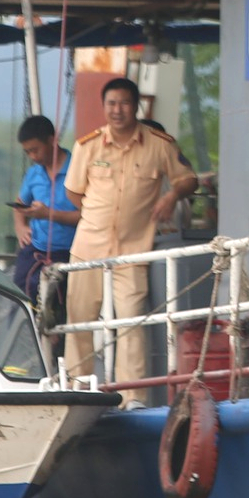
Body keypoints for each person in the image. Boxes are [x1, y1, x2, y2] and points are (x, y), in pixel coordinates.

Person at [61, 77, 197, 386]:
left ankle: (132, 395)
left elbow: (188, 179)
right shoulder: (87, 145)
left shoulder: (159, 144)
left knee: (131, 324)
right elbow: (73, 193)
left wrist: (171, 195)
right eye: (111, 104)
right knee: (78, 321)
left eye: (123, 103)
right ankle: (77, 388)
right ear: (104, 107)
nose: (117, 110)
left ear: (136, 106)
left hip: (133, 250)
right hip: (87, 247)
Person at [10, 115, 77, 296]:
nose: (33, 156)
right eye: (28, 152)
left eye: (35, 150)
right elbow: (20, 204)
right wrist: (20, 226)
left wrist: (49, 214)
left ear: (52, 140)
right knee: (16, 296)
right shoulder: (34, 173)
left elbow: (87, 216)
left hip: (69, 252)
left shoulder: (77, 169)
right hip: (35, 249)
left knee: (56, 300)